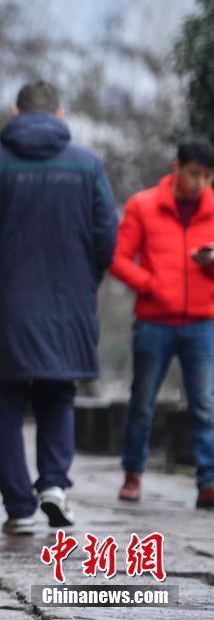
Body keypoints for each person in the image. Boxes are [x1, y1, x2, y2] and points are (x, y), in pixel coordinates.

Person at [0, 81, 118, 536]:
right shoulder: (88, 165)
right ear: (60, 115)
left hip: (4, 309)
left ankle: (19, 506)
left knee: (4, 404)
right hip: (69, 304)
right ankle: (55, 485)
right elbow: (107, 238)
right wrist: (87, 281)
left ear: (15, 111)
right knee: (59, 394)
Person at [110, 137, 214, 509]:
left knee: (205, 404)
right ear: (176, 168)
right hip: (154, 321)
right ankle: (133, 473)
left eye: (207, 176)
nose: (200, 183)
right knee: (143, 401)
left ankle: (208, 482)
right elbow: (118, 258)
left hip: (203, 322)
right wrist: (150, 284)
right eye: (194, 174)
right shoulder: (144, 205)